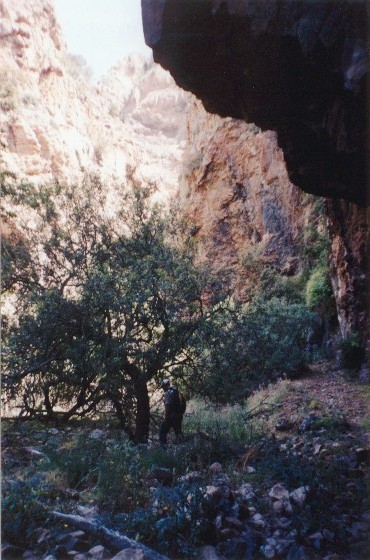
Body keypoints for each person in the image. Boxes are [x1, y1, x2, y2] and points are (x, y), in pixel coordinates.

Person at [159, 378, 186, 445]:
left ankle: (164, 450)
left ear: (165, 385)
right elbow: (184, 403)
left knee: (162, 433)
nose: (163, 389)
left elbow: (168, 406)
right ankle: (183, 447)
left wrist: (166, 418)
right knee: (178, 432)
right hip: (179, 415)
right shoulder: (177, 391)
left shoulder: (168, 393)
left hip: (171, 417)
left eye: (163, 387)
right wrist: (180, 414)